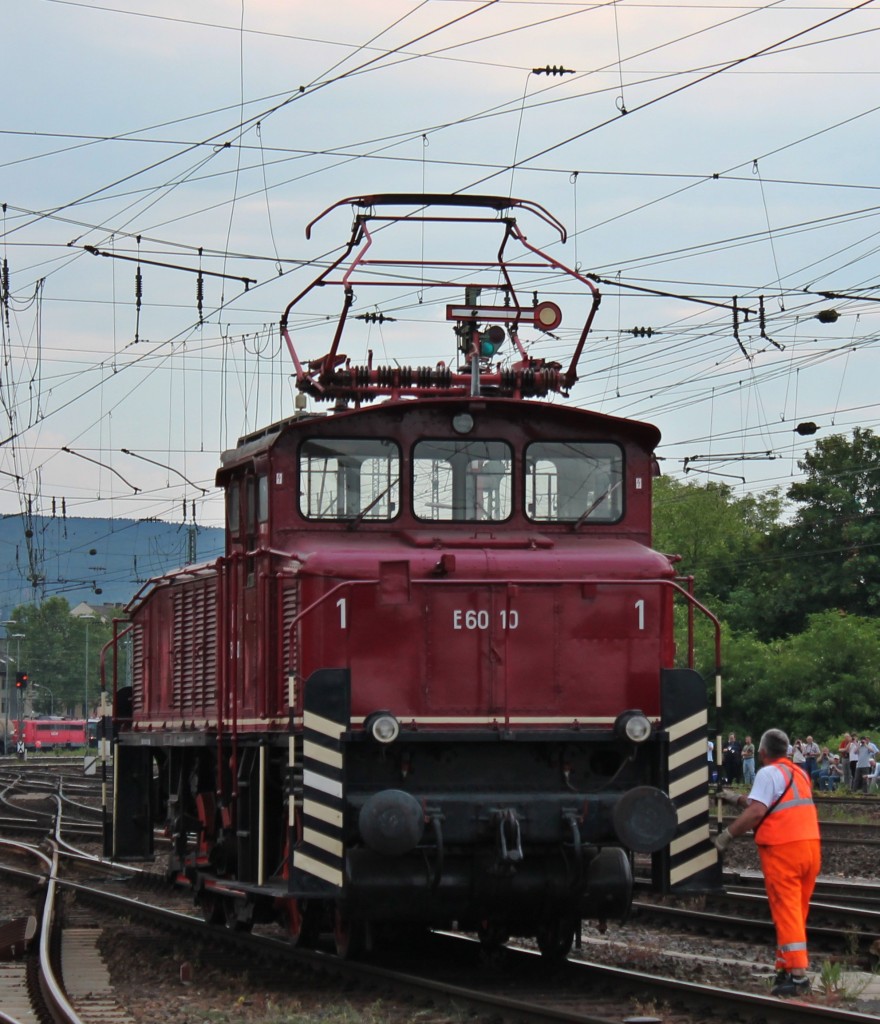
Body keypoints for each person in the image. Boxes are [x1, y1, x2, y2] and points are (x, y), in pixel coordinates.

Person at [714, 728, 820, 998]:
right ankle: (786, 967)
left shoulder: (766, 772)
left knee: (786, 911)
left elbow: (758, 811)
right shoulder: (799, 773)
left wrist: (727, 835)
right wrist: (735, 798)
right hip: (810, 848)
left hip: (783, 850)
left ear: (762, 753)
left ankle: (798, 977)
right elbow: (764, 801)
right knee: (797, 911)